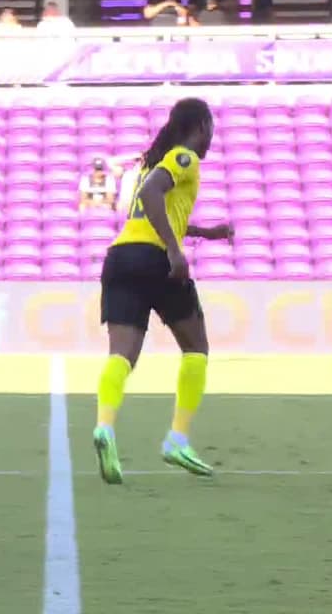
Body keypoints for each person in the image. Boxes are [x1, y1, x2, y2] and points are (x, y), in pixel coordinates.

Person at [92, 97, 233, 486]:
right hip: (154, 260)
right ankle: (177, 439)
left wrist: (207, 233)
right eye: (211, 130)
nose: (211, 139)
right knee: (196, 348)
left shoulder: (153, 162)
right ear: (201, 125)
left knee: (121, 356)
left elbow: (152, 209)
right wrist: (174, 249)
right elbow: (154, 196)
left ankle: (104, 427)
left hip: (119, 258)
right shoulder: (184, 158)